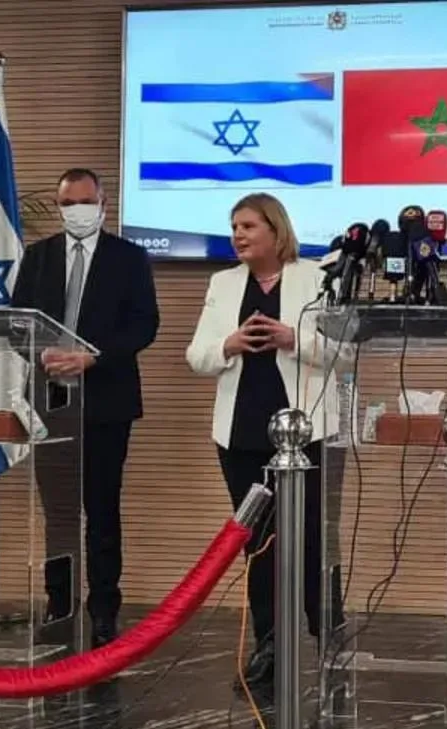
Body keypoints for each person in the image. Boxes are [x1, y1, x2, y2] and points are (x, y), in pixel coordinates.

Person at [186, 192, 344, 700]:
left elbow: (345, 352)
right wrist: (228, 345)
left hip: (306, 431)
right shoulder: (223, 283)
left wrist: (292, 339)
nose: (238, 235)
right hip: (241, 433)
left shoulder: (316, 278)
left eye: (248, 226)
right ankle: (269, 644)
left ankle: (328, 638)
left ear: (276, 231)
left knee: (312, 537)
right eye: (234, 226)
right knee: (257, 543)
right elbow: (197, 356)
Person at [11, 167, 160, 648]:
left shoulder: (128, 257)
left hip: (107, 400)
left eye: (85, 202)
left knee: (102, 509)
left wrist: (93, 358)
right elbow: (17, 323)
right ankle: (59, 602)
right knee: (57, 511)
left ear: (103, 203)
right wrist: (40, 353)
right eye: (68, 204)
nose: (77, 211)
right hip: (51, 400)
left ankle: (103, 609)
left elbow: (144, 325)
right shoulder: (38, 257)